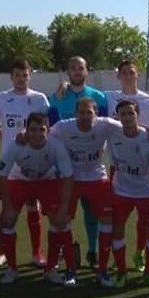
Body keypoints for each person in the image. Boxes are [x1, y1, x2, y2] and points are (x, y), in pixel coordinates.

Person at [50, 98, 125, 288]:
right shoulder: (62, 128)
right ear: (75, 114)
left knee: (107, 221)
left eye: (88, 112)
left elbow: (130, 127)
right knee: (62, 220)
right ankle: (70, 269)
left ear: (96, 114)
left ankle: (102, 270)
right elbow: (45, 137)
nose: (84, 116)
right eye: (81, 113)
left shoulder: (105, 125)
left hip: (96, 178)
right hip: (70, 179)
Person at [0, 112, 75, 286]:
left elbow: (68, 177)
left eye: (42, 129)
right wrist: (7, 206)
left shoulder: (56, 145)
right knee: (7, 220)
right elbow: (1, 175)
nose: (37, 134)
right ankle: (12, 269)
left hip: (46, 181)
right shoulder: (16, 145)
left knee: (59, 222)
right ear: (26, 130)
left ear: (48, 130)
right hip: (19, 180)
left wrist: (63, 209)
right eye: (33, 130)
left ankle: (51, 268)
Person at [49, 56, 108, 269]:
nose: (76, 71)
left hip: (91, 168)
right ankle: (65, 252)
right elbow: (52, 129)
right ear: (67, 71)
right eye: (72, 67)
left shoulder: (99, 97)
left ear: (87, 70)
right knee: (62, 214)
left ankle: (93, 251)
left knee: (92, 213)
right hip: (65, 168)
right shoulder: (57, 96)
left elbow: (102, 129)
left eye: (80, 67)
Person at [0, 58, 50, 268]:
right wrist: (5, 137)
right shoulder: (1, 98)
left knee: (34, 207)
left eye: (24, 75)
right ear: (11, 77)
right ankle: (3, 252)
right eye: (17, 75)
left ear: (29, 76)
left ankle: (37, 253)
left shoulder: (39, 99)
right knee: (8, 211)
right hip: (11, 166)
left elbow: (48, 126)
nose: (21, 79)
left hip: (36, 164)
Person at [105, 59, 149, 273]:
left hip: (145, 162)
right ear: (118, 76)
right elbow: (87, 98)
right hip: (119, 164)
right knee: (116, 220)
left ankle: (140, 254)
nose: (128, 76)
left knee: (146, 220)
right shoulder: (109, 97)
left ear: (138, 75)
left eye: (132, 72)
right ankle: (116, 262)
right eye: (124, 73)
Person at [109, 100, 149, 289]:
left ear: (137, 115)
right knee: (117, 230)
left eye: (130, 113)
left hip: (145, 193)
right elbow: (112, 166)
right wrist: (110, 190)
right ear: (118, 117)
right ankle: (121, 272)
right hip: (121, 191)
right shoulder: (113, 135)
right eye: (122, 114)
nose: (126, 117)